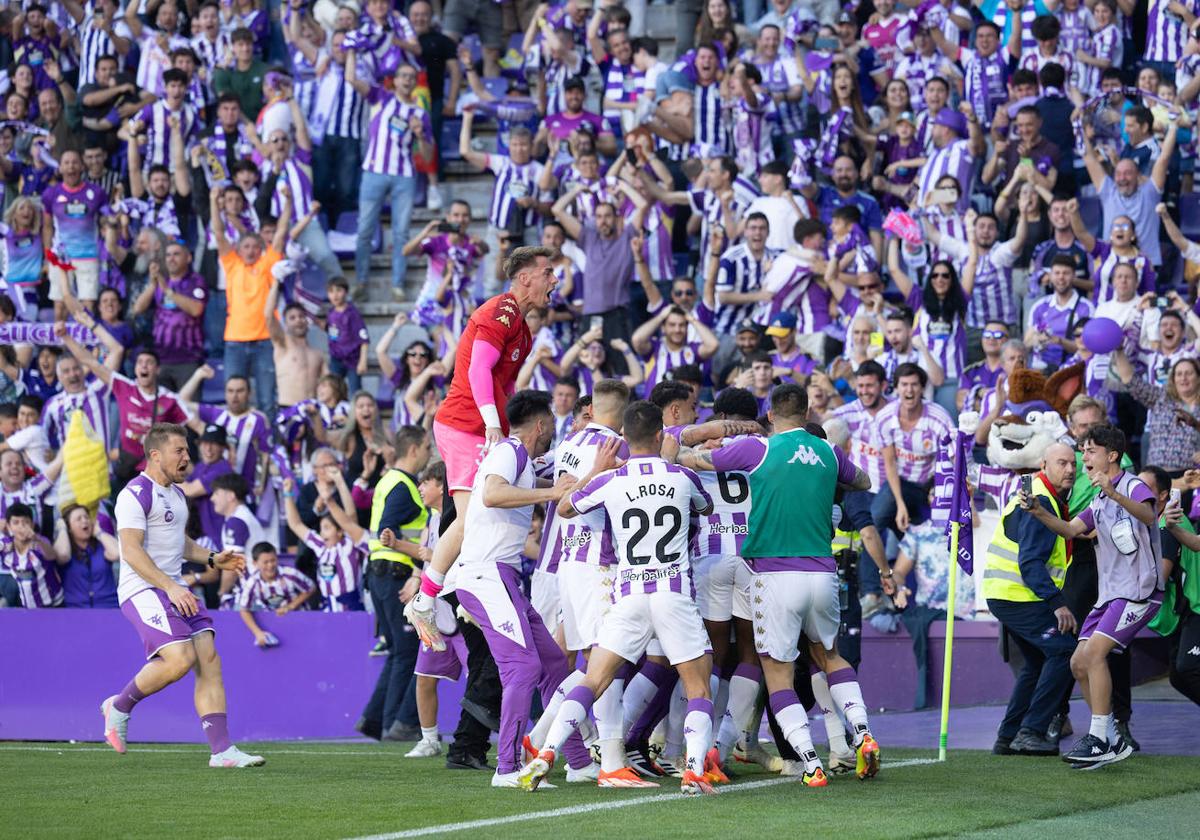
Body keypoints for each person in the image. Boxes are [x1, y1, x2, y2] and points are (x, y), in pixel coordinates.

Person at [678, 383, 879, 786]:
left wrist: (685, 446)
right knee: (831, 656)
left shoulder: (760, 449)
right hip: (822, 572)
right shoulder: (828, 451)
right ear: (806, 414)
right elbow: (864, 481)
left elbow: (696, 462)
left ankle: (810, 763)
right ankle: (862, 731)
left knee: (776, 671)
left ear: (770, 415)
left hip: (773, 574)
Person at [521, 400, 722, 796]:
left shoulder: (609, 481)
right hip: (673, 593)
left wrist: (596, 472)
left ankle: (546, 752)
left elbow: (563, 507)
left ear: (625, 438)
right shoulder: (683, 478)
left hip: (628, 593)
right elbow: (706, 508)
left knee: (594, 678)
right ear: (662, 435)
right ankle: (694, 771)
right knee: (698, 687)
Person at [405, 247, 558, 649]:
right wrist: (493, 424)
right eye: (548, 273)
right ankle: (429, 597)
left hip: (480, 428)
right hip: (464, 425)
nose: (554, 281)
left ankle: (457, 589)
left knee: (476, 516)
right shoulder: (501, 312)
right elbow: (476, 369)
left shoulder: (522, 329)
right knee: (474, 515)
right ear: (525, 278)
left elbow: (505, 388)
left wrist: (510, 433)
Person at [452, 390, 596, 788]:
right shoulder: (508, 451)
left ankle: (580, 761)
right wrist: (551, 493)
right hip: (487, 575)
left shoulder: (521, 460)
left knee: (552, 665)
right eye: (551, 419)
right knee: (525, 667)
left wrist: (574, 481)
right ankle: (508, 767)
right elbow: (492, 493)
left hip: (502, 577)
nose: (553, 426)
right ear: (541, 424)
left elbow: (553, 482)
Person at [100, 423, 262, 767]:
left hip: (174, 588)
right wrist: (171, 586)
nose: (187, 457)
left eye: (187, 451)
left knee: (208, 659)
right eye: (180, 451)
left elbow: (180, 543)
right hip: (143, 589)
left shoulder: (176, 494)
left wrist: (214, 558)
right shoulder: (134, 494)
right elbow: (130, 550)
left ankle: (222, 751)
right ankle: (119, 706)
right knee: (180, 658)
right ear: (155, 455)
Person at [1022, 424, 1163, 769]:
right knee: (1078, 661)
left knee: (1095, 654)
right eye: (1083, 450)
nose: (1083, 457)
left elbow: (1150, 515)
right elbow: (1071, 530)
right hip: (1111, 594)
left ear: (1112, 455)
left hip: (1138, 592)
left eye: (1091, 450)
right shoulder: (1098, 498)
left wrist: (1114, 494)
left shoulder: (1131, 486)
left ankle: (1100, 736)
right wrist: (1039, 512)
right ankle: (1111, 737)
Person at [984, 443, 1078, 757]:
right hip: (1019, 595)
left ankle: (1008, 737)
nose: (1069, 470)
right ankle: (1031, 731)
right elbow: (1030, 563)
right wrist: (1057, 603)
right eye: (1062, 463)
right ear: (1044, 464)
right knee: (1064, 651)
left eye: (1073, 464)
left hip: (1007, 594)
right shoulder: (1043, 503)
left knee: (1037, 662)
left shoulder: (1039, 494)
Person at [358, 424, 433, 743]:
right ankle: (397, 724)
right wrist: (418, 572)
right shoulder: (404, 486)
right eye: (427, 448)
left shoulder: (388, 480)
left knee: (398, 651)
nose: (430, 454)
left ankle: (374, 719)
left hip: (380, 574)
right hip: (397, 574)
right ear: (414, 449)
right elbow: (389, 531)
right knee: (408, 652)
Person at [210, 184, 289, 416]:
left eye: (256, 246)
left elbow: (281, 233)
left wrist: (289, 203)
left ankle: (271, 449)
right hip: (235, 341)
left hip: (265, 341)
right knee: (233, 401)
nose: (251, 250)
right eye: (246, 246)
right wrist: (215, 203)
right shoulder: (232, 264)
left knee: (266, 401)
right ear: (238, 249)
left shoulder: (267, 265)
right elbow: (218, 233)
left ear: (262, 249)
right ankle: (234, 445)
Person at [236, 543, 317, 647]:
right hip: (275, 628)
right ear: (255, 563)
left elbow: (311, 587)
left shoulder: (290, 574)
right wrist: (257, 632)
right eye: (265, 562)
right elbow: (244, 609)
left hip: (301, 623)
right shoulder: (252, 583)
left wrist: (291, 606)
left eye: (273, 560)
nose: (270, 565)